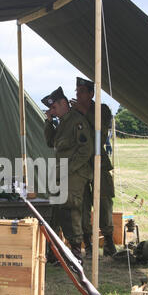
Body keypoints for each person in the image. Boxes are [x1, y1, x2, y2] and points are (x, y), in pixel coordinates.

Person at [42, 86, 93, 263]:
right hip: (61, 172)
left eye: (54, 108)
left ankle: (77, 253)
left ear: (64, 103)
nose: (52, 111)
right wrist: (49, 121)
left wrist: (70, 169)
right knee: (56, 211)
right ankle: (56, 253)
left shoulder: (77, 122)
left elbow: (86, 150)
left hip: (75, 173)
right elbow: (50, 142)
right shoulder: (62, 121)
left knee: (71, 210)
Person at [71, 77, 117, 257]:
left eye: (82, 91)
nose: (78, 95)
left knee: (104, 201)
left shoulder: (102, 110)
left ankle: (109, 241)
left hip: (99, 160)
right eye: (77, 91)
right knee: (82, 203)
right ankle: (88, 244)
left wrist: (82, 110)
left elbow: (101, 130)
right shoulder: (74, 113)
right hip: (81, 163)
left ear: (91, 93)